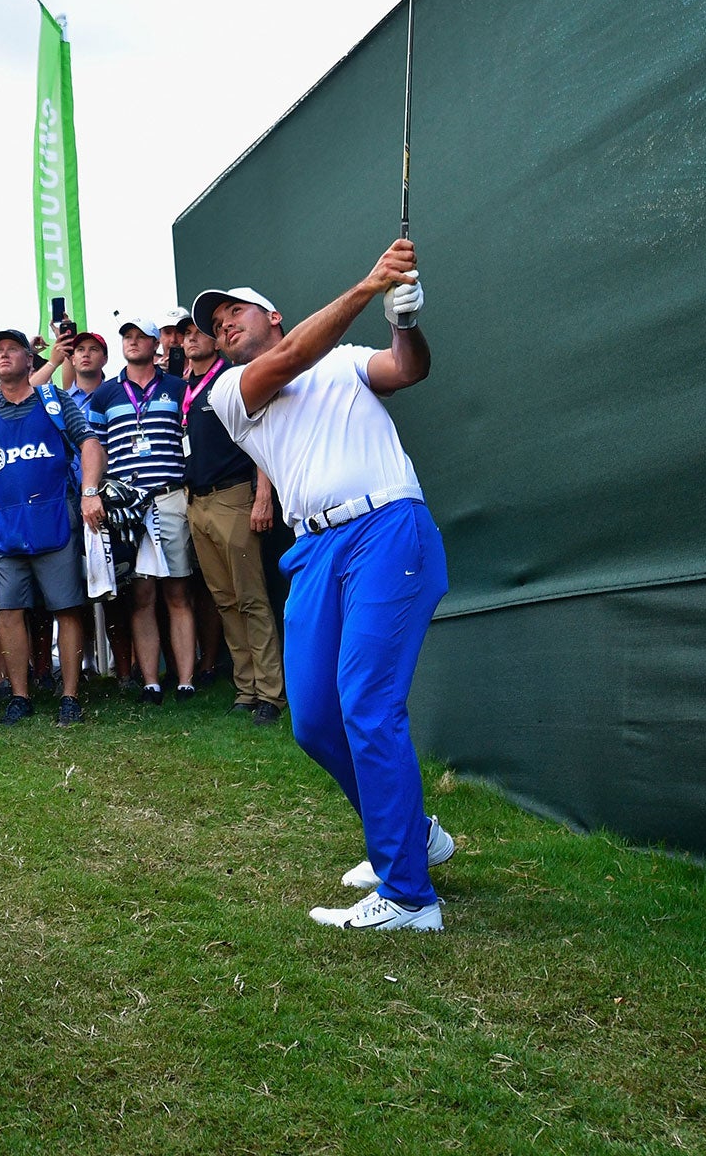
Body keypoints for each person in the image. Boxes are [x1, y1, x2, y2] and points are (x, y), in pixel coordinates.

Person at [201, 239, 454, 932]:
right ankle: (413, 835)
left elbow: (408, 369)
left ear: (271, 312)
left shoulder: (345, 361)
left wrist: (403, 319)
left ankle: (409, 896)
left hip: (387, 527)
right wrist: (371, 286)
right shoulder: (230, 391)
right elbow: (289, 359)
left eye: (234, 312)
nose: (222, 324)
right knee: (314, 720)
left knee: (368, 707)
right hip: (315, 547)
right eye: (214, 322)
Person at [0, 328, 107, 727]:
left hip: (55, 517)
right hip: (7, 524)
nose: (4, 356)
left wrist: (90, 491)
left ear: (29, 360)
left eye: (12, 350)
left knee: (67, 608)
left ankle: (70, 696)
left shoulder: (54, 400)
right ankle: (20, 696)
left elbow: (91, 443)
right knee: (8, 611)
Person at [181, 303, 284, 723]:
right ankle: (246, 688)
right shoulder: (183, 385)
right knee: (224, 600)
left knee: (252, 599)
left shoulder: (233, 377)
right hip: (197, 502)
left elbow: (262, 432)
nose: (191, 337)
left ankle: (271, 694)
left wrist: (263, 495)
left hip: (234, 496)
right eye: (184, 332)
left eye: (199, 331)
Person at [86, 320, 198, 704]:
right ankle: (151, 681)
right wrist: (91, 492)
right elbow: (95, 448)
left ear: (155, 344)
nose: (132, 343)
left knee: (179, 591)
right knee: (142, 594)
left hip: (170, 497)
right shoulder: (104, 395)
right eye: (126, 337)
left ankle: (185, 680)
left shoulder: (177, 387)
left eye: (140, 337)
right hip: (126, 505)